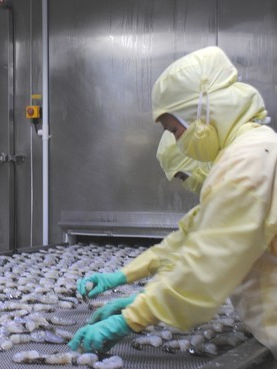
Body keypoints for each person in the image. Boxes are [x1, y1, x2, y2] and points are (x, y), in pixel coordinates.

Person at [69, 46, 277, 357]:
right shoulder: (251, 151)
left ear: (203, 112)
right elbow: (190, 236)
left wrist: (135, 316)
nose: (179, 141)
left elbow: (206, 264)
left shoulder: (247, 162)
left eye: (175, 129)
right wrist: (125, 279)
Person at [76, 130, 211, 326]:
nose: (184, 184)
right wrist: (121, 276)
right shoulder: (215, 198)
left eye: (182, 176)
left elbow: (209, 269)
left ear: (200, 162)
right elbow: (176, 246)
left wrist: (140, 309)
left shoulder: (240, 186)